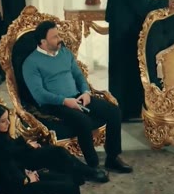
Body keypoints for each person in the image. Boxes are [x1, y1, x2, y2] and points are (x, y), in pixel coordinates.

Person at [22, 21, 132, 173]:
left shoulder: (65, 53)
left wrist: (86, 92)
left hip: (78, 97)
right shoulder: (31, 63)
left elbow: (79, 76)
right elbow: (39, 95)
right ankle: (93, 166)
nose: (59, 39)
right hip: (54, 104)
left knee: (114, 111)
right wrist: (64, 101)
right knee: (83, 121)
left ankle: (112, 158)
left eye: (58, 35)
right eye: (54, 37)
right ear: (43, 42)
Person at [106, 0, 174, 121]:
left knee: (119, 70)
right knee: (131, 70)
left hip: (118, 27)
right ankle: (129, 111)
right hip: (129, 29)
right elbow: (141, 5)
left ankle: (119, 110)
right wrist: (166, 2)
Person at [0, 87, 109, 183]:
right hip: (17, 166)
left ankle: (85, 174)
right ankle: (87, 174)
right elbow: (5, 154)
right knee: (56, 158)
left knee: (57, 152)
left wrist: (26, 143)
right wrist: (27, 148)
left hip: (19, 154)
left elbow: (9, 144)